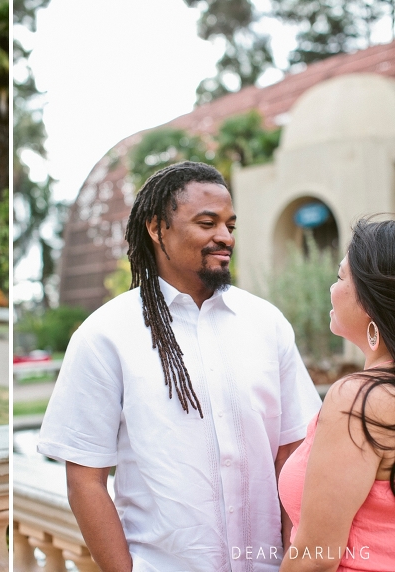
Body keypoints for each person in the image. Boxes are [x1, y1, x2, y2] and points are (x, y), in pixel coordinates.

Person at [38, 161, 322, 572]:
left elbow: (294, 452)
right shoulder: (104, 336)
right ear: (157, 229)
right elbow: (84, 480)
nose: (224, 237)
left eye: (230, 225)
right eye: (207, 223)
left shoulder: (267, 323)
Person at [278, 219, 395, 572]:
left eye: (341, 277)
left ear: (372, 301)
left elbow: (316, 556)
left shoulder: (358, 399)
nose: (331, 288)